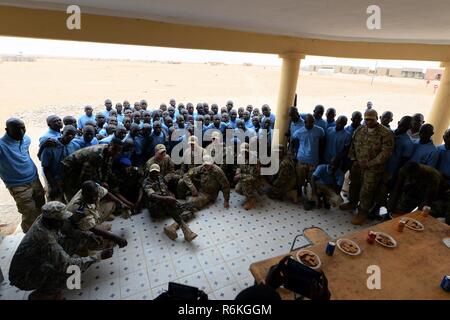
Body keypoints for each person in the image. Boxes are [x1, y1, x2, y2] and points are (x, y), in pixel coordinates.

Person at [8, 201, 114, 300]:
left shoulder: (45, 219)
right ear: (53, 220)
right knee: (71, 270)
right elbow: (68, 265)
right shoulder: (45, 238)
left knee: (77, 239)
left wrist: (90, 235)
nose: (64, 221)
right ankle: (44, 294)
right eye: (62, 219)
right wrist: (98, 257)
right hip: (24, 277)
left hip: (37, 260)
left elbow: (70, 230)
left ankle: (57, 283)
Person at [340, 109, 394, 225]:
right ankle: (352, 203)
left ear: (377, 118)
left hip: (373, 170)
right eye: (366, 119)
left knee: (367, 191)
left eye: (371, 119)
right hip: (357, 166)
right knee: (354, 185)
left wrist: (369, 164)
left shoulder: (386, 133)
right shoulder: (360, 129)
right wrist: (353, 159)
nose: (368, 122)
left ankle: (362, 212)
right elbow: (353, 145)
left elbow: (386, 153)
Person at [0, 118, 45, 232]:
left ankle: (42, 231)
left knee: (41, 205)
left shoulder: (26, 139)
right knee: (29, 212)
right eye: (16, 129)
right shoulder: (1, 145)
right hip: (18, 185)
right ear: (7, 130)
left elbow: (26, 154)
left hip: (34, 178)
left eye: (23, 128)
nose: (21, 132)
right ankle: (30, 237)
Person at [143, 164, 197, 241]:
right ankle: (187, 231)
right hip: (156, 207)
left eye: (156, 172)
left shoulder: (160, 178)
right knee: (170, 204)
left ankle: (173, 227)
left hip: (166, 203)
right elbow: (152, 195)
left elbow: (165, 189)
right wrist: (167, 198)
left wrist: (171, 195)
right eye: (153, 172)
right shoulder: (146, 182)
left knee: (192, 206)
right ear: (150, 172)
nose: (155, 174)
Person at [66, 181, 128, 246]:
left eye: (95, 195)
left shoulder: (94, 188)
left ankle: (99, 223)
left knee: (111, 204)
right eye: (90, 197)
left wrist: (122, 204)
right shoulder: (79, 209)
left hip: (90, 216)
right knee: (103, 242)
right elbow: (93, 229)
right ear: (84, 195)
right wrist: (116, 238)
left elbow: (106, 193)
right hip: (81, 227)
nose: (94, 198)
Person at [41, 125, 80, 202]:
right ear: (62, 132)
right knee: (55, 201)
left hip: (69, 179)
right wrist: (53, 185)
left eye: (73, 134)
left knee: (71, 200)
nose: (70, 136)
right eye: (68, 133)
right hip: (54, 178)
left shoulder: (76, 146)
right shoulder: (50, 146)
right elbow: (46, 168)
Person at [291, 114, 325, 194]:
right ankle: (299, 193)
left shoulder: (320, 131)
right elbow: (293, 141)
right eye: (309, 122)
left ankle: (312, 196)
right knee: (300, 179)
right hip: (302, 160)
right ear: (305, 122)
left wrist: (320, 156)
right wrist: (293, 152)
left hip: (313, 161)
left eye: (312, 122)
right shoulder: (299, 132)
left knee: (313, 180)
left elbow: (322, 143)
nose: (311, 124)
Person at [234, 143, 260, 210]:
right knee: (237, 189)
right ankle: (248, 193)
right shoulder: (240, 157)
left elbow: (254, 176)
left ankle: (250, 199)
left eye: (246, 151)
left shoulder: (255, 161)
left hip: (255, 180)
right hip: (244, 178)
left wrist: (240, 176)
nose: (244, 153)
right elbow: (238, 167)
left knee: (246, 181)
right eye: (242, 152)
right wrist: (238, 172)